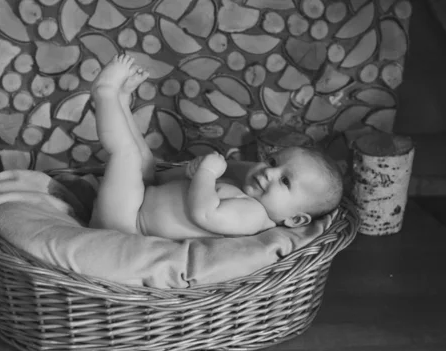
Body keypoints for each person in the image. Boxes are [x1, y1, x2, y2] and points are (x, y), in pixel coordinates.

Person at [89, 54, 343, 240]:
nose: (269, 172)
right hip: (139, 199)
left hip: (125, 225)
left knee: (128, 155)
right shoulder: (245, 193)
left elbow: (204, 213)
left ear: (295, 219)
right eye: (274, 162)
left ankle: (105, 94)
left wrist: (206, 174)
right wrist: (191, 174)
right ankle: (122, 103)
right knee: (145, 158)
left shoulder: (254, 216)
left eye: (285, 181)